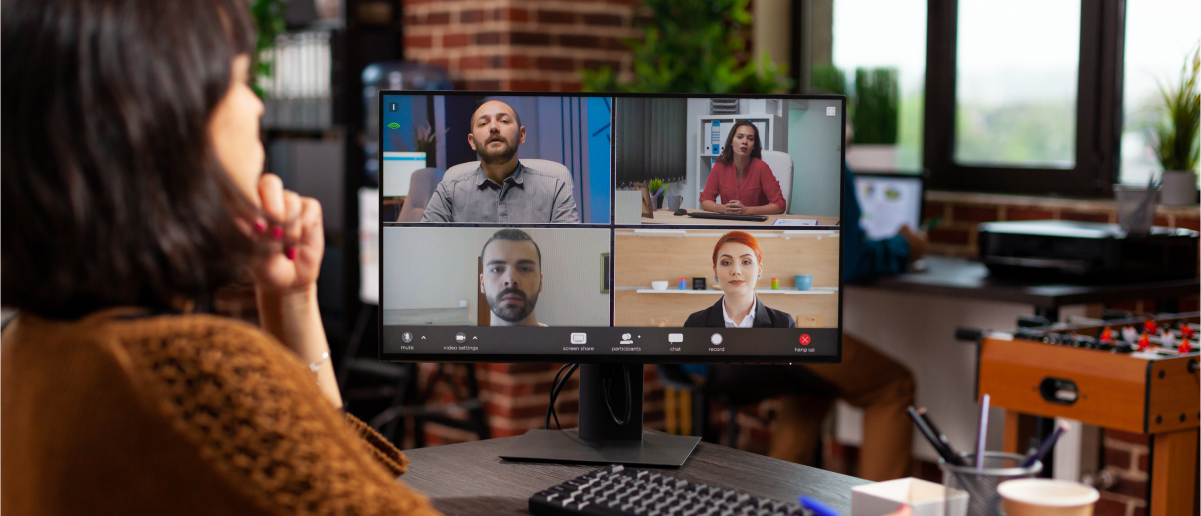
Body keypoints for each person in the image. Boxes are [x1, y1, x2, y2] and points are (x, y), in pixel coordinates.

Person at [0, 0, 439, 514]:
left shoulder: (26, 344)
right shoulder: (193, 374)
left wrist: (291, 300)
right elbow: (376, 496)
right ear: (161, 118)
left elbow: (334, 473)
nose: (257, 105)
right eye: (237, 80)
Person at [701, 163, 925, 482]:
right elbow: (851, 261)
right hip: (766, 333)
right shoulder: (831, 163)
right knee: (893, 386)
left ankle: (778, 499)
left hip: (706, 343)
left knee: (815, 380)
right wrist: (906, 246)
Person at [420, 100, 580, 223]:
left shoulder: (555, 188)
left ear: (521, 135)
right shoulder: (449, 191)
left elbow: (570, 251)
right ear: (472, 141)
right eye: (483, 123)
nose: (494, 128)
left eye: (504, 121)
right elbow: (426, 246)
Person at [683, 231, 796, 328]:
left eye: (746, 262)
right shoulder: (694, 324)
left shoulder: (784, 324)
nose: (736, 271)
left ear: (759, 269)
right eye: (726, 262)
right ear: (715, 271)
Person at [699, 120, 787, 216]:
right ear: (731, 141)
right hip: (729, 223)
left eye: (750, 139)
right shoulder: (720, 166)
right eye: (740, 137)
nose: (744, 142)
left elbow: (780, 205)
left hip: (756, 225)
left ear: (754, 146)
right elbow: (705, 200)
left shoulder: (762, 168)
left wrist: (746, 211)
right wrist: (724, 209)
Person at [479, 229, 547, 327]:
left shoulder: (562, 342)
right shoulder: (469, 341)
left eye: (525, 269)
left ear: (540, 282)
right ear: (482, 283)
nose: (510, 280)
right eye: (496, 269)